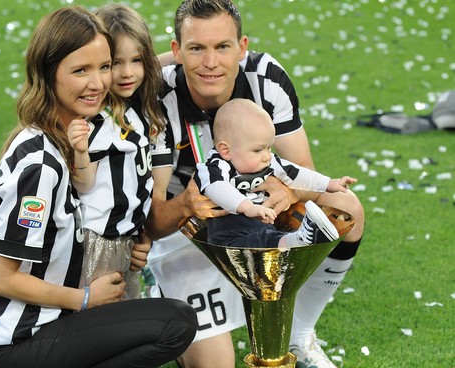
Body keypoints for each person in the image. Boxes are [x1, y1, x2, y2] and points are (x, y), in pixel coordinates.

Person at [0, 7, 197, 368]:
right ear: (48, 73)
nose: (98, 83)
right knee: (174, 323)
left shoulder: (84, 131)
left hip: (60, 324)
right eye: (80, 70)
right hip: (18, 342)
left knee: (167, 325)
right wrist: (86, 298)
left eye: (103, 67)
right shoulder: (40, 164)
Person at [145, 1, 365, 367]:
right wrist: (186, 204)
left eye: (223, 47)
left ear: (242, 47)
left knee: (347, 208)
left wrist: (290, 191)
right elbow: (151, 220)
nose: (211, 62)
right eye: (196, 48)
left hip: (257, 214)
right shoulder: (156, 96)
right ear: (176, 52)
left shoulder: (266, 78)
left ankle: (300, 334)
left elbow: (306, 175)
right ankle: (164, 285)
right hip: (188, 231)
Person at [71, 3, 167, 301]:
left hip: (127, 239)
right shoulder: (97, 117)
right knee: (102, 327)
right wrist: (80, 154)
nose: (127, 73)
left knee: (127, 320)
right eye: (114, 63)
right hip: (96, 241)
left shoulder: (139, 109)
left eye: (136, 60)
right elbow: (84, 183)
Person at [194, 99, 357, 248]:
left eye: (269, 147)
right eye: (258, 150)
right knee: (262, 241)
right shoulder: (214, 167)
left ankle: (304, 237)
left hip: (262, 224)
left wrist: (329, 183)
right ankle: (299, 239)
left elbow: (296, 174)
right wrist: (247, 207)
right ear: (226, 150)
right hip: (229, 234)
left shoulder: (267, 160)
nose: (266, 156)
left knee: (268, 239)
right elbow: (217, 188)